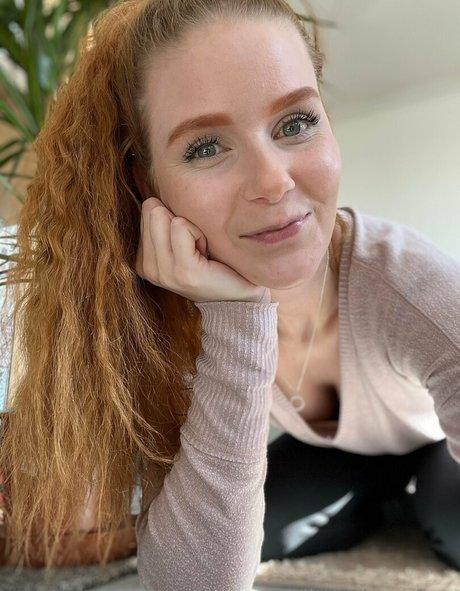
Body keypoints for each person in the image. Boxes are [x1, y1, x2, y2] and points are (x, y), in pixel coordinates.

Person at [1, 0, 459, 589]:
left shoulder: (415, 284)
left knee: (448, 521)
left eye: (295, 122)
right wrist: (237, 316)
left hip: (434, 440)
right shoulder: (168, 312)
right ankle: (381, 500)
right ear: (148, 184)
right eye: (205, 147)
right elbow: (195, 582)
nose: (273, 182)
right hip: (334, 450)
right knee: (263, 532)